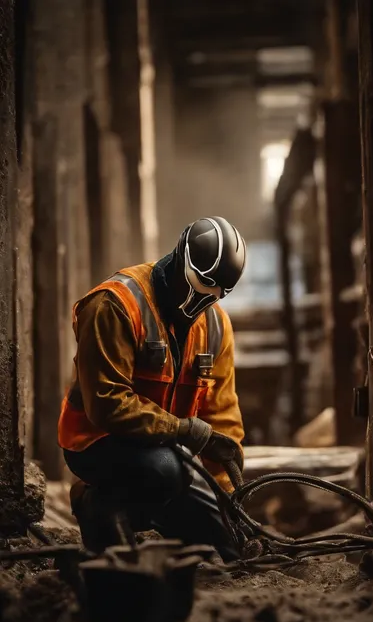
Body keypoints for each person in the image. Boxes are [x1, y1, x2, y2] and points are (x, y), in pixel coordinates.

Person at [58, 217, 246, 562]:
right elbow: (106, 404)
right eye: (205, 283)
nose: (211, 297)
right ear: (182, 259)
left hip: (166, 446)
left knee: (224, 547)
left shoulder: (217, 326)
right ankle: (96, 502)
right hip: (98, 440)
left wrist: (229, 500)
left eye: (222, 291)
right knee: (164, 472)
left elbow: (221, 415)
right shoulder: (114, 304)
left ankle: (160, 513)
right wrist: (181, 429)